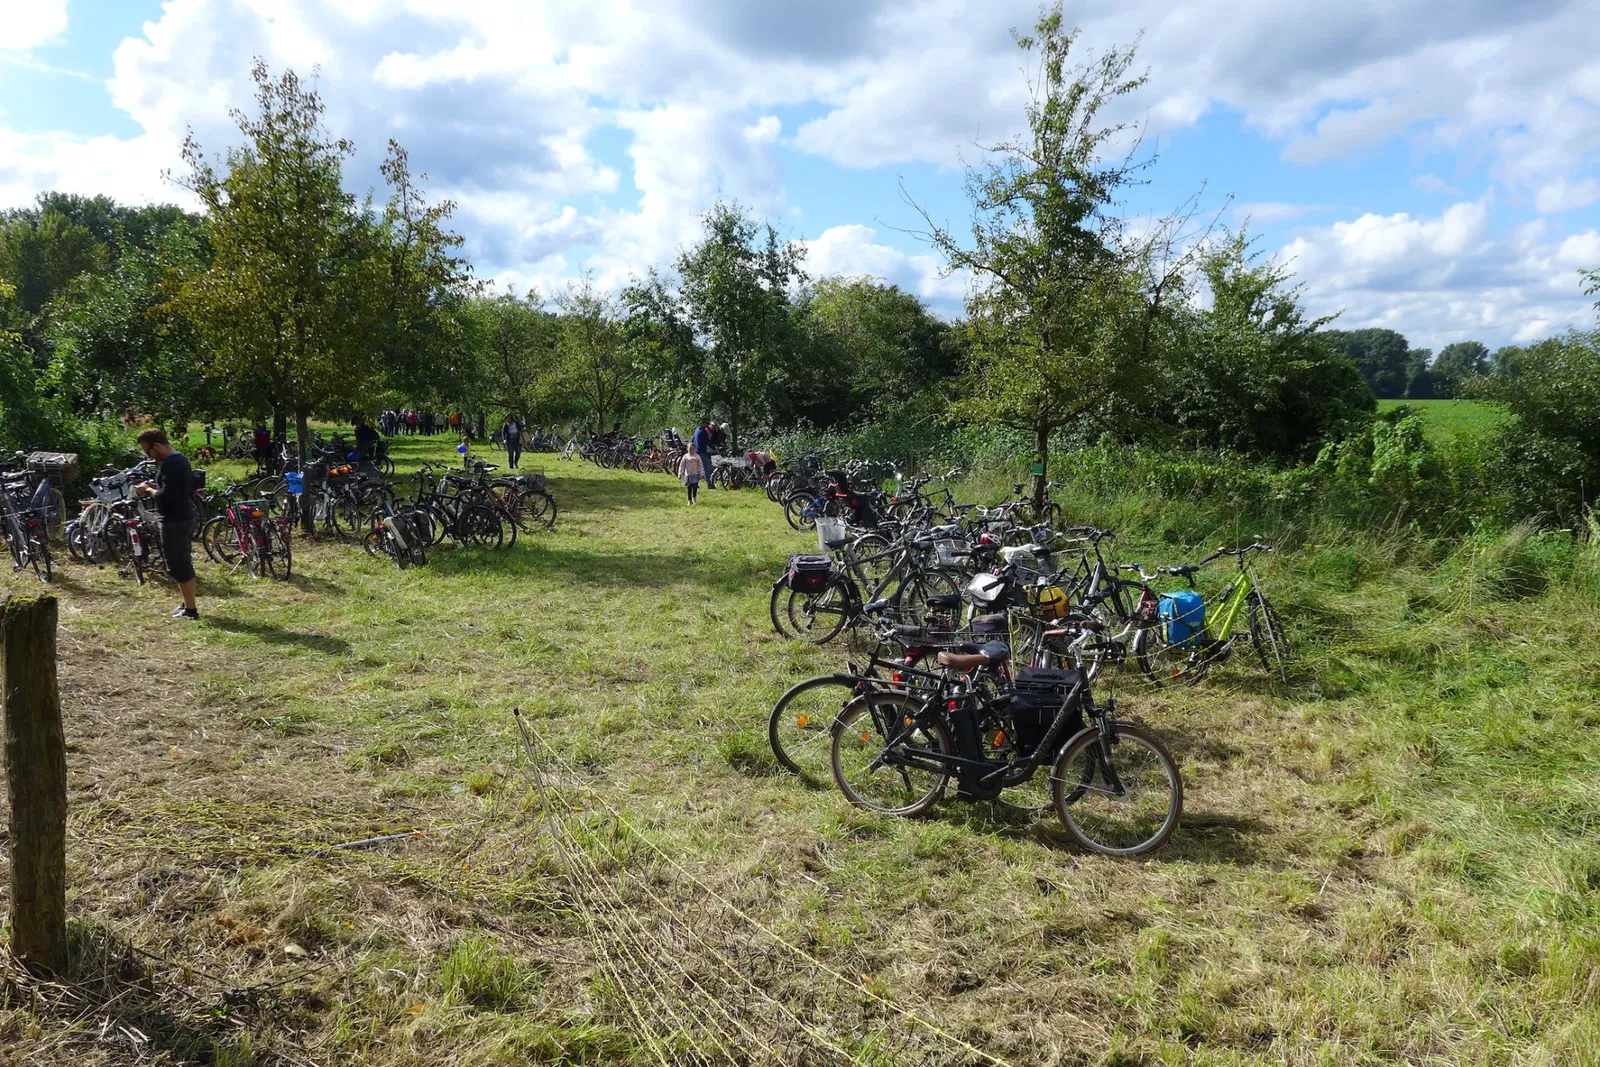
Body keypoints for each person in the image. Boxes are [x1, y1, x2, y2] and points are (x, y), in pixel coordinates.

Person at [135, 429, 200, 620]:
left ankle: (191, 611)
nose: (149, 456)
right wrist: (156, 487)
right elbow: (178, 489)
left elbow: (166, 497)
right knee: (182, 562)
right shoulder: (180, 459)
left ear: (157, 445)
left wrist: (147, 490)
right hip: (183, 516)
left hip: (176, 520)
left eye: (148, 452)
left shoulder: (171, 464)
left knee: (178, 565)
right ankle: (187, 603)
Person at [691, 417, 714, 488]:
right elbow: (708, 442)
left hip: (695, 452)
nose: (708, 425)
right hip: (702, 452)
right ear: (703, 423)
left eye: (708, 423)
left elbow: (692, 439)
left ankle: (695, 483)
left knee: (696, 469)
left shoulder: (697, 429)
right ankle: (709, 484)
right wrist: (715, 449)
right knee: (706, 468)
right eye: (707, 423)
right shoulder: (703, 431)